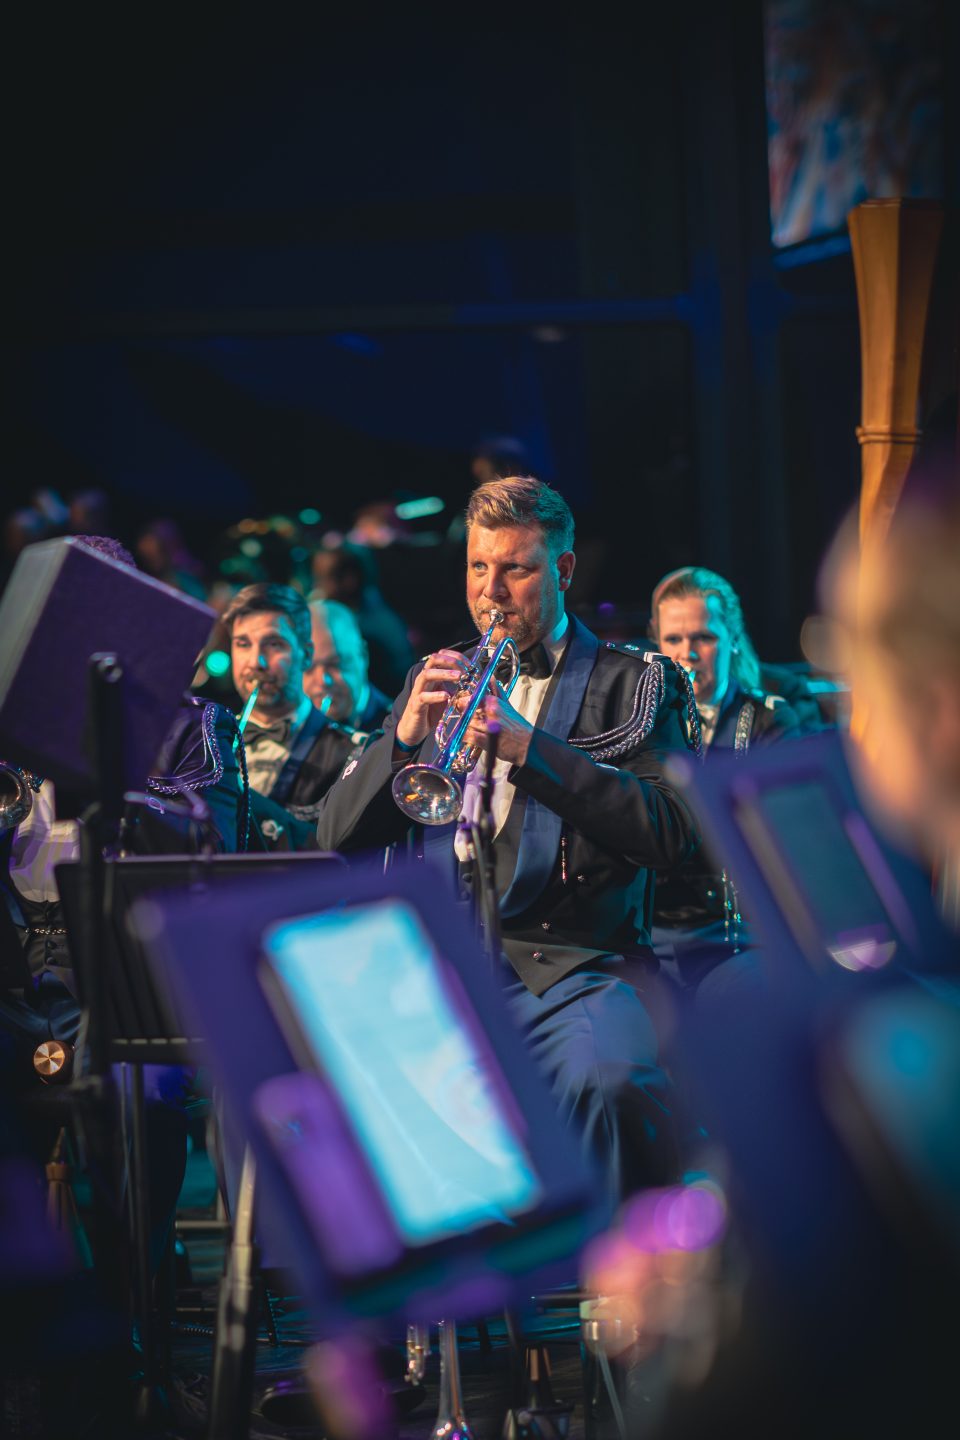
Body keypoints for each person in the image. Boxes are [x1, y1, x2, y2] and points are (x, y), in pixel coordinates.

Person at [316, 476, 702, 1202]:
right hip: (441, 971)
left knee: (612, 1082)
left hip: (574, 967)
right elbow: (335, 837)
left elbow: (670, 835)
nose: (491, 592)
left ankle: (620, 1267)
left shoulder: (636, 682)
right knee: (314, 1085)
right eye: (478, 567)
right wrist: (404, 741)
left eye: (516, 569)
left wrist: (532, 750)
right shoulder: (434, 676)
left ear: (563, 569)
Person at [646, 565, 805, 999]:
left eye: (704, 637)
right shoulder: (640, 724)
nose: (687, 654)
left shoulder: (770, 721)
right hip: (651, 939)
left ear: (732, 637)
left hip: (736, 937)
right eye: (673, 640)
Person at [223, 583, 369, 849]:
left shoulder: (355, 752)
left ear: (306, 654)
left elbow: (337, 853)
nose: (256, 662)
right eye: (243, 644)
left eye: (274, 644)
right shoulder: (208, 741)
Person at [310, 542, 415, 698]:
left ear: (350, 580)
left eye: (325, 578)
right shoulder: (373, 608)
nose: (317, 588)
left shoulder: (369, 630)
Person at [304, 597, 391, 731]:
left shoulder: (398, 730)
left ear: (363, 656)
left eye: (336, 664)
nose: (323, 681)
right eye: (308, 667)